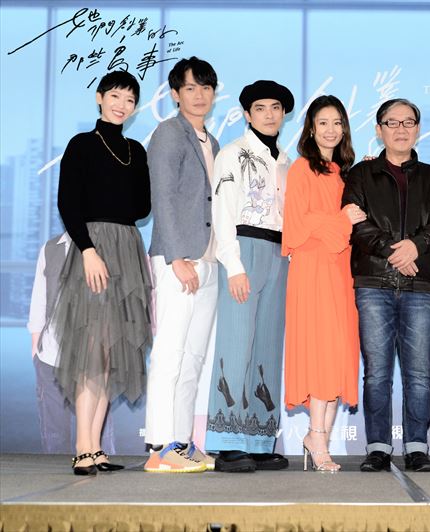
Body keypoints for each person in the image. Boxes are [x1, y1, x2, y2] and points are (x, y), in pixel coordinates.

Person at [342, 98, 430, 473]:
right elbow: (356, 224)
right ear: (379, 130)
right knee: (377, 373)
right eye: (392, 122)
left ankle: (417, 448)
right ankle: (377, 447)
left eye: (408, 122)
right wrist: (395, 252)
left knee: (418, 374)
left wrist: (416, 246)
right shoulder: (361, 175)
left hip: (419, 285)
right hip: (373, 283)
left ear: (418, 129)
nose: (401, 129)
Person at [53, 70, 152, 475]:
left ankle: (96, 447)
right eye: (115, 96)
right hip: (93, 248)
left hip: (127, 248)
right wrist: (88, 249)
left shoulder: (136, 150)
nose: (121, 105)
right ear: (99, 98)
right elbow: (67, 202)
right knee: (92, 348)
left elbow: (142, 208)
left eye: (129, 99)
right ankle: (82, 446)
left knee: (112, 352)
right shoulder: (81, 144)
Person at [204, 80, 294, 473]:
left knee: (268, 346)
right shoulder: (232, 153)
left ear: (284, 114)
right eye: (260, 108)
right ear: (246, 113)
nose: (269, 114)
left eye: (276, 107)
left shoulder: (286, 160)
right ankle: (226, 443)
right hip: (244, 249)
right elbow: (222, 213)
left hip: (279, 253)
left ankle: (258, 439)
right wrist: (234, 265)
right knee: (236, 343)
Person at [145, 56, 220, 473]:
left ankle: (182, 442)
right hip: (179, 259)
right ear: (176, 94)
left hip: (207, 260)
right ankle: (159, 446)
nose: (199, 95)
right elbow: (162, 197)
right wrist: (175, 257)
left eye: (206, 87)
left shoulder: (212, 140)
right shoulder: (169, 133)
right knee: (170, 355)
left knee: (193, 359)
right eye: (191, 88)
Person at [283, 95, 364, 472]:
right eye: (323, 122)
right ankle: (316, 438)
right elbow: (297, 225)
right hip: (313, 269)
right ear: (311, 129)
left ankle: (320, 440)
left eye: (337, 122)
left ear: (344, 129)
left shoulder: (345, 173)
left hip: (342, 271)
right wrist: (342, 219)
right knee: (321, 351)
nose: (331, 129)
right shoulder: (302, 169)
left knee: (338, 351)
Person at [29, 233, 116, 454]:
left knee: (100, 438)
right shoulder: (51, 248)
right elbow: (40, 299)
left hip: (93, 359)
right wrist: (36, 350)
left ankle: (96, 463)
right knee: (55, 437)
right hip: (51, 357)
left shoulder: (108, 247)